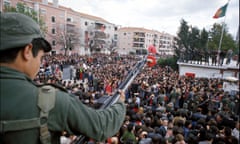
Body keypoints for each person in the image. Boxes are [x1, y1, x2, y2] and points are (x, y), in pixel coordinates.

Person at [0, 12, 126, 144]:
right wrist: (120, 103)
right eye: (41, 57)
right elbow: (102, 126)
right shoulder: (49, 101)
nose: (40, 63)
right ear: (27, 51)